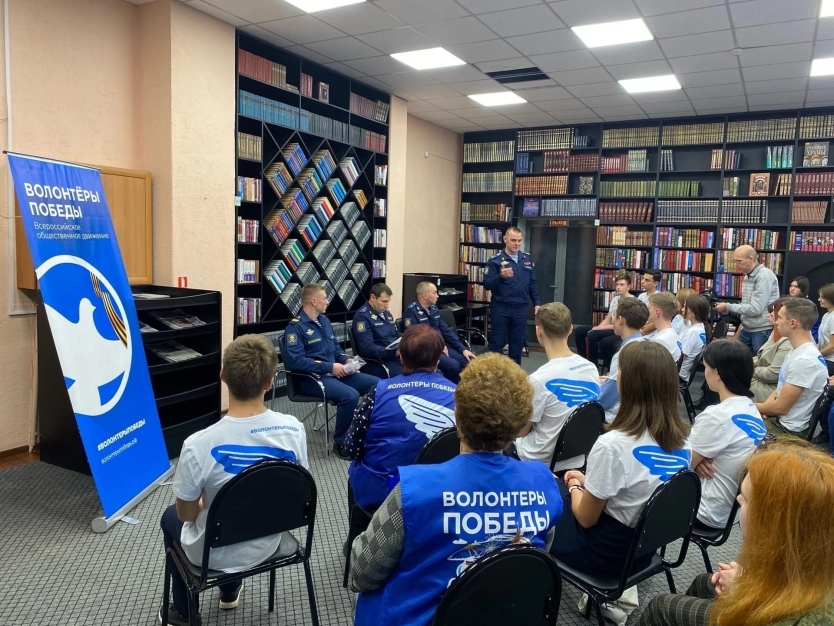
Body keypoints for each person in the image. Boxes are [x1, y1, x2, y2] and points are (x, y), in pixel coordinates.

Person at [349, 353, 562, 626]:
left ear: (457, 417)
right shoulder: (544, 483)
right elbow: (533, 559)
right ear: (521, 426)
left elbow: (362, 574)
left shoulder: (415, 490)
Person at [159, 335, 309, 626]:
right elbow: (297, 490)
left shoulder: (198, 444)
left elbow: (186, 514)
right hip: (268, 541)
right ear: (270, 382)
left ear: (223, 376)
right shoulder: (293, 429)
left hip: (212, 554)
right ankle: (229, 590)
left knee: (170, 517)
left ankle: (184, 613)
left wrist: (207, 502)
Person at [636, 442, 834, 626]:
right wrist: (751, 581)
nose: (738, 499)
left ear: (772, 523)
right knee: (704, 582)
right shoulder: (814, 553)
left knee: (662, 607)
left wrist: (747, 594)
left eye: (745, 499)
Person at [550, 341, 691, 579]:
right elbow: (637, 487)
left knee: (544, 491)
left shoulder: (612, 446)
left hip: (604, 556)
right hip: (642, 551)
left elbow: (585, 519)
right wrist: (589, 482)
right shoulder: (686, 442)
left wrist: (574, 486)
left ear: (627, 382)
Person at [345, 325, 456, 512]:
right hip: (439, 497)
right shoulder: (459, 395)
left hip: (381, 499)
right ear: (438, 360)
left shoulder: (378, 392)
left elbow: (351, 448)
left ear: (401, 357)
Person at [284, 284, 378, 459]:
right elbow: (295, 361)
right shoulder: (295, 328)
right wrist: (330, 367)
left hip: (336, 373)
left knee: (378, 385)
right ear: (314, 301)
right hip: (312, 379)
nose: (327, 301)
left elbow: (335, 350)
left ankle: (362, 431)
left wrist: (346, 360)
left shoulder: (325, 321)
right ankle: (341, 442)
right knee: (350, 396)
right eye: (325, 298)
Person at [513, 302, 601, 470]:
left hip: (539, 459)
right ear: (570, 329)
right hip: (577, 457)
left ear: (539, 331)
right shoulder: (591, 368)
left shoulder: (537, 380)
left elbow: (521, 431)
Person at [689, 339, 764, 530]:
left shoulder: (716, 416)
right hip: (731, 508)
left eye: (706, 367)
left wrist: (695, 461)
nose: (705, 372)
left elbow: (680, 468)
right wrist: (698, 460)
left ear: (718, 373)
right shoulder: (751, 409)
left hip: (704, 510)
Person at [755, 297, 827, 439]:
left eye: (780, 318)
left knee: (729, 428)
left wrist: (750, 407)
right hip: (778, 420)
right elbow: (779, 389)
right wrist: (765, 408)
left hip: (786, 430)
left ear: (793, 323)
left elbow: (781, 407)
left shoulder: (805, 360)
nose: (776, 322)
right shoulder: (797, 351)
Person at [482, 226, 541, 365]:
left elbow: (532, 283)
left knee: (517, 344)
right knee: (497, 343)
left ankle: (515, 374)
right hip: (501, 307)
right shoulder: (495, 260)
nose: (517, 244)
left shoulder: (526, 259)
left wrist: (537, 303)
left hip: (520, 307)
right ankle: (494, 373)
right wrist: (500, 277)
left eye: (519, 240)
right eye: (513, 240)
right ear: (505, 239)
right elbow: (487, 284)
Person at [403, 281, 475, 384]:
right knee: (453, 366)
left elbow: (446, 330)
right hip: (427, 350)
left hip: (442, 346)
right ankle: (449, 390)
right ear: (425, 295)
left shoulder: (433, 309)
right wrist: (438, 345)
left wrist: (463, 349)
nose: (437, 296)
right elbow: (414, 339)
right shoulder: (411, 311)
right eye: (434, 293)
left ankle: (465, 391)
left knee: (467, 361)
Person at [714, 245, 780, 354]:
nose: (736, 264)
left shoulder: (764, 276)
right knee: (739, 358)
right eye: (735, 261)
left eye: (739, 261)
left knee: (758, 361)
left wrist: (728, 306)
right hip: (747, 327)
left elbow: (755, 309)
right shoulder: (747, 276)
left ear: (751, 259)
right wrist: (729, 310)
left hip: (761, 329)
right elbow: (747, 305)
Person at [598, 298, 650, 423]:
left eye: (614, 316)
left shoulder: (623, 354)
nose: (613, 320)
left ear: (621, 320)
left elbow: (605, 399)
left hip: (619, 416)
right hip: (640, 412)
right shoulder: (646, 344)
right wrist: (610, 380)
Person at [574, 273, 632, 368]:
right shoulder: (615, 299)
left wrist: (599, 329)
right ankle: (583, 360)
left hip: (619, 330)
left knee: (592, 335)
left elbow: (621, 324)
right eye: (617, 284)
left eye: (622, 285)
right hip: (610, 326)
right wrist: (598, 327)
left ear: (628, 286)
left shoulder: (631, 301)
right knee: (579, 331)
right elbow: (608, 318)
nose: (618, 287)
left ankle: (593, 363)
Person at [352, 283, 402, 379]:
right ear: (373, 297)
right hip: (378, 361)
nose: (387, 306)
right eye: (384, 301)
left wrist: (409, 338)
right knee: (408, 376)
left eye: (388, 301)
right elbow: (367, 348)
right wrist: (394, 352)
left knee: (422, 368)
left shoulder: (386, 314)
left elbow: (394, 335)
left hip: (394, 357)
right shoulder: (362, 316)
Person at [749, 299, 791, 403]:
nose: (772, 316)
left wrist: (749, 368)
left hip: (770, 386)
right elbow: (762, 356)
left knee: (729, 380)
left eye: (779, 316)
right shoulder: (775, 334)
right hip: (763, 379)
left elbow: (772, 374)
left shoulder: (787, 342)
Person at [679, 295, 712, 383]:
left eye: (685, 307)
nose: (682, 309)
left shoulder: (692, 332)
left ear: (694, 313)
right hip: (684, 372)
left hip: (679, 374)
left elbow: (681, 356)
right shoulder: (701, 327)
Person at [647, 292, 682, 361]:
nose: (646, 311)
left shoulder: (660, 341)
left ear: (657, 312)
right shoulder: (672, 334)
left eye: (649, 308)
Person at [789, 275, 820, 341]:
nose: (792, 289)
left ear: (803, 289)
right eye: (791, 286)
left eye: (796, 287)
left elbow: (813, 327)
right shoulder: (790, 302)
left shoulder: (808, 305)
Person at [816, 282, 834, 375]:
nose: (819, 299)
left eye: (822, 297)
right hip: (824, 357)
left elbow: (832, 347)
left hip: (832, 360)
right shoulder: (826, 315)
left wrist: (816, 355)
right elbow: (821, 342)